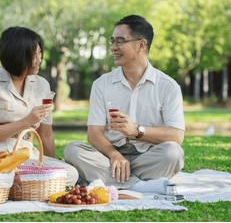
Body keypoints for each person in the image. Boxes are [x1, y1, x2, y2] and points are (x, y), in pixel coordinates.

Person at [64, 15, 185, 194]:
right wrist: (114, 155)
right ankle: (140, 186)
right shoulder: (102, 84)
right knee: (72, 150)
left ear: (141, 45)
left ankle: (107, 179)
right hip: (109, 156)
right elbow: (94, 133)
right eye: (112, 41)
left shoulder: (168, 86)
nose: (113, 47)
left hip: (147, 158)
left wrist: (136, 131)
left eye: (120, 41)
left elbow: (176, 135)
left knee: (173, 153)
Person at [0, 26, 79, 186]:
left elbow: (46, 134)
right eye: (33, 55)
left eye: (40, 53)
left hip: (27, 154)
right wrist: (26, 121)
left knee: (70, 174)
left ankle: (13, 184)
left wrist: (50, 162)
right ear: (16, 56)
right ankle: (16, 183)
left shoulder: (41, 85)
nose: (39, 59)